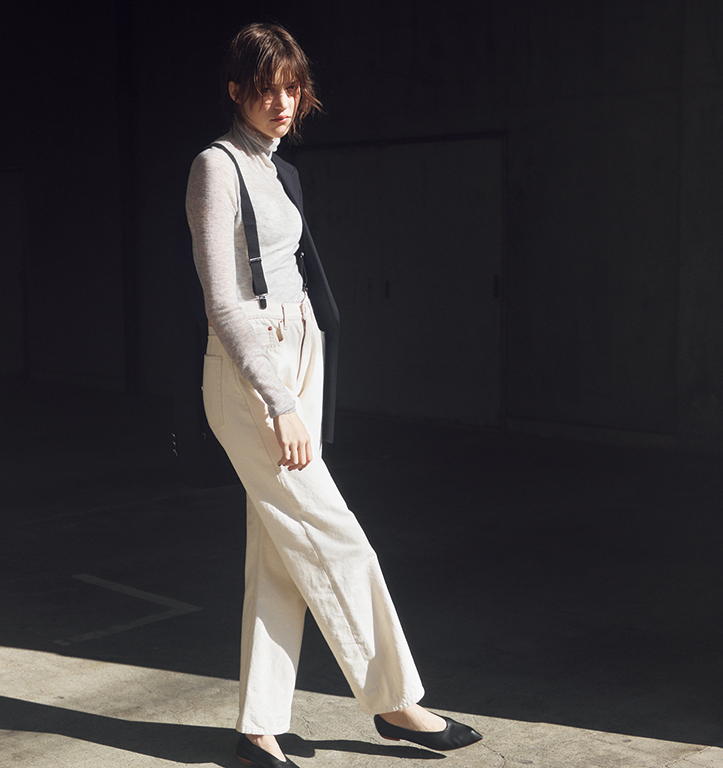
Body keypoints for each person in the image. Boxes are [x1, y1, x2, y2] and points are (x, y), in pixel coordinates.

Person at [184, 22, 483, 768]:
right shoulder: (216, 167)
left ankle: (260, 726)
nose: (283, 103)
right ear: (235, 91)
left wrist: (307, 361)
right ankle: (395, 700)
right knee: (335, 534)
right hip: (254, 370)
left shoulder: (280, 169)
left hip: (301, 351)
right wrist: (279, 401)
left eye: (292, 88)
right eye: (266, 89)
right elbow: (223, 302)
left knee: (280, 552)